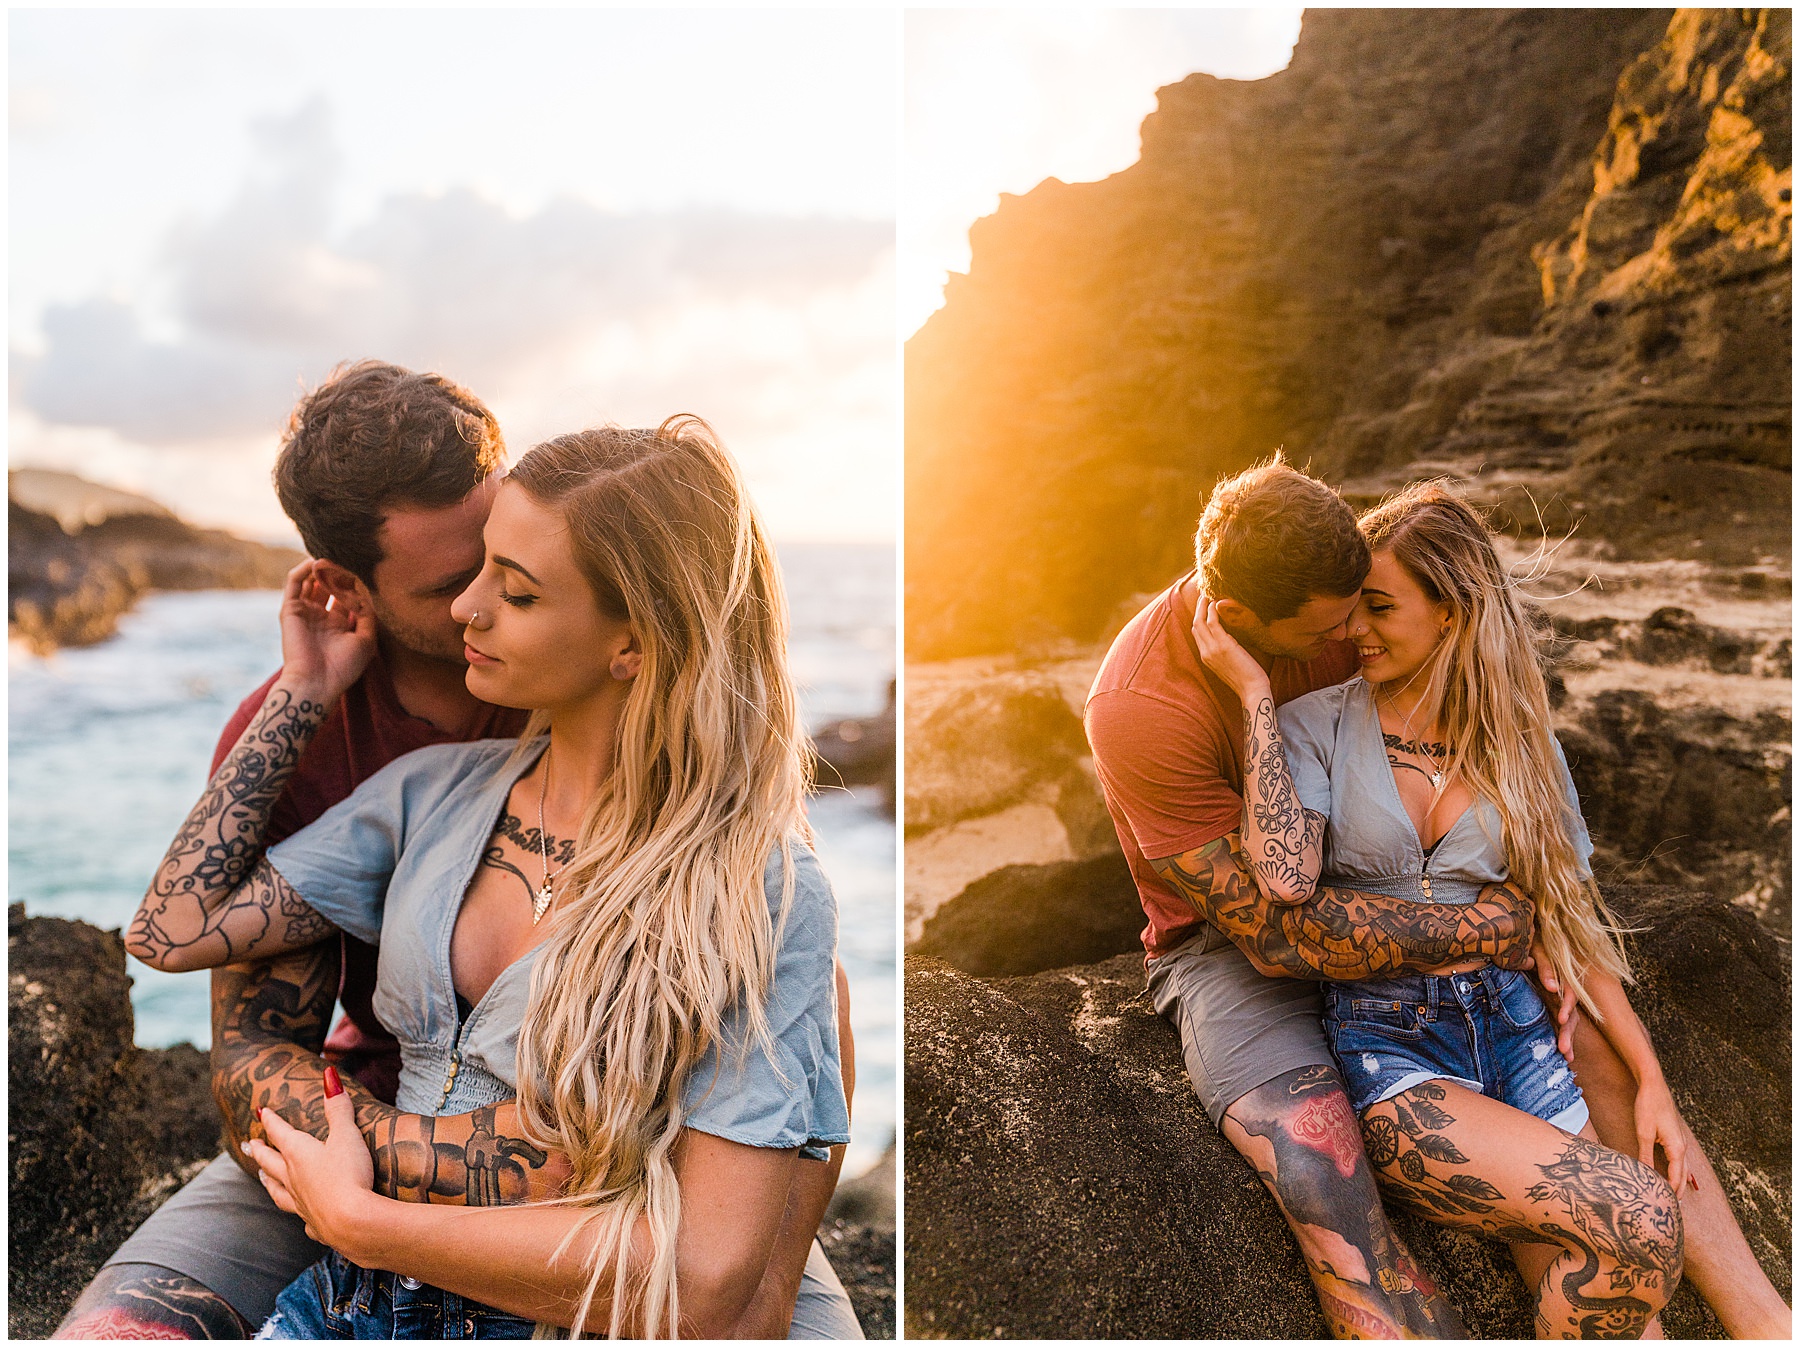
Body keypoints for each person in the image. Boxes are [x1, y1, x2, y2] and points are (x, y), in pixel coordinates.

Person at [59, 365, 857, 1340]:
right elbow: (188, 949)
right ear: (354, 588)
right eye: (454, 582)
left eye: (506, 575)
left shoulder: (739, 863)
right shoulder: (409, 781)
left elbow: (805, 1031)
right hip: (356, 1167)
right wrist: (302, 693)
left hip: (621, 1197)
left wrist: (770, 1265)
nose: (474, 606)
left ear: (631, 643)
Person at [1084, 457, 1790, 1337]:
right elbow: (1278, 930)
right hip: (1232, 946)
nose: (1353, 637)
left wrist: (1545, 934)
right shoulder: (1141, 704)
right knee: (1316, 1164)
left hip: (1431, 954)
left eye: (1366, 610)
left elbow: (1467, 664)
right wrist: (1488, 927)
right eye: (1334, 626)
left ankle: (1765, 1322)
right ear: (1240, 624)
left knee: (1596, 1053)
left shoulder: (1344, 599)